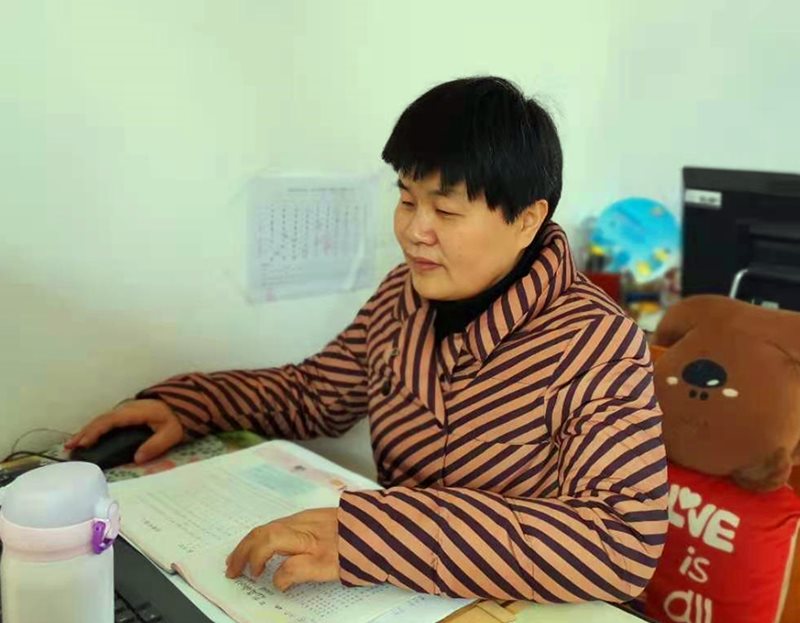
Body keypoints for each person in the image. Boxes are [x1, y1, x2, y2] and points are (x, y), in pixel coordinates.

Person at [67, 76, 668, 603]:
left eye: (446, 212)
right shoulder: (404, 296)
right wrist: (191, 404)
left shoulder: (596, 342)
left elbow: (621, 542)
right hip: (394, 599)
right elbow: (316, 394)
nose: (414, 230)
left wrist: (372, 536)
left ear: (527, 220)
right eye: (406, 199)